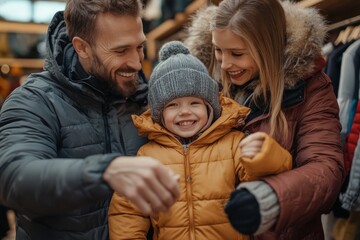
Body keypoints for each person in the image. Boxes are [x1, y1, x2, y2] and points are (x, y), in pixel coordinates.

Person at [0, 0, 180, 239]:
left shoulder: (147, 98)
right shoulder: (36, 100)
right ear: (82, 47)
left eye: (139, 47)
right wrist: (104, 172)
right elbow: (14, 178)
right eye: (120, 50)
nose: (137, 63)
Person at [184, 0, 345, 239]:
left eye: (237, 53)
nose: (225, 64)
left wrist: (270, 197)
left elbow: (326, 170)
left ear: (266, 47)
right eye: (218, 50)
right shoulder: (203, 83)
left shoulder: (312, 89)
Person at [108, 41, 292, 240]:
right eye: (173, 105)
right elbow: (127, 212)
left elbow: (269, 179)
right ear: (159, 114)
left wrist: (263, 156)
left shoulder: (232, 144)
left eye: (194, 103)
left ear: (209, 107)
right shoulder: (147, 156)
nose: (185, 111)